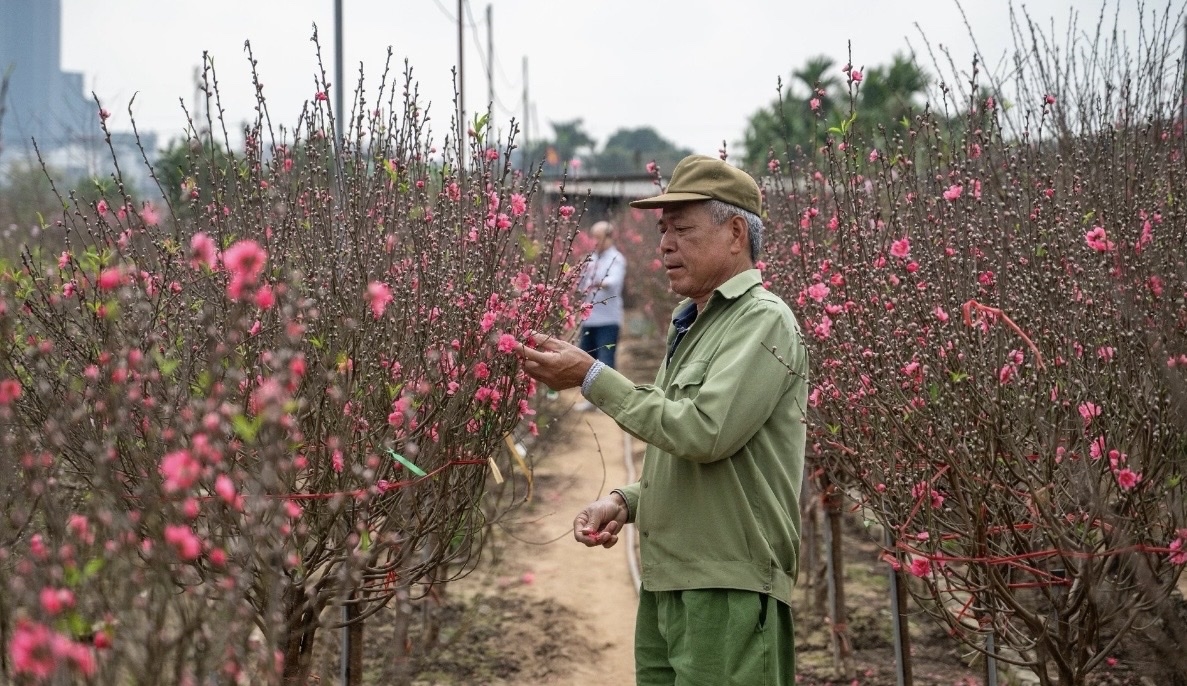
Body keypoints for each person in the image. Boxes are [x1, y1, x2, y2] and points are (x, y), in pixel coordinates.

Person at [517, 154, 807, 685]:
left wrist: (591, 377)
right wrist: (626, 501)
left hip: (728, 592)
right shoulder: (691, 324)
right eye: (662, 230)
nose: (665, 244)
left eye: (682, 229)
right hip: (669, 583)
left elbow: (704, 432)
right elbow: (695, 454)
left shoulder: (763, 321)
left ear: (736, 232)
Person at [573, 220, 626, 411]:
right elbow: (580, 283)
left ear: (609, 238)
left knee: (606, 360)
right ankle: (592, 400)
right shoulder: (591, 258)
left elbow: (613, 281)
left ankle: (609, 403)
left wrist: (594, 282)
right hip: (590, 318)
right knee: (587, 360)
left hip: (608, 320)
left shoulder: (616, 259)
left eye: (598, 238)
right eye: (593, 237)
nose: (594, 242)